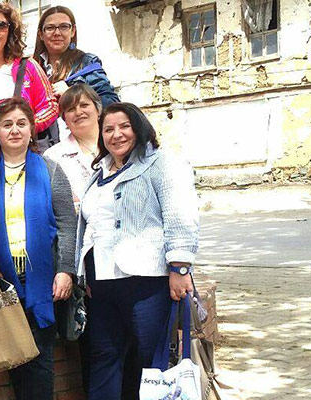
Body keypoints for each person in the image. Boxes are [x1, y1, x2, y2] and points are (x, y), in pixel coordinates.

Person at [74, 102, 199, 400]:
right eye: (108, 129)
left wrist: (180, 267)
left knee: (149, 359)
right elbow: (93, 227)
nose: (116, 134)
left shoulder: (161, 163)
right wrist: (84, 273)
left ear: (139, 128)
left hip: (146, 280)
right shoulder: (99, 171)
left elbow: (180, 215)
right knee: (103, 356)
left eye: (124, 126)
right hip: (102, 283)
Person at [0, 98, 77, 399]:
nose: (14, 130)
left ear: (31, 130)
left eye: (21, 123)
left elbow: (68, 223)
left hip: (43, 282)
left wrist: (66, 270)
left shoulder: (51, 171)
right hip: (2, 283)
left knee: (40, 364)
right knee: (14, 362)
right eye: (7, 124)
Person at [0, 1, 59, 154]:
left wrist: (24, 127)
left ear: (10, 31)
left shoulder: (28, 66)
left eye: (1, 26)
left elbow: (50, 106)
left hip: (25, 155)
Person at [32, 6, 120, 107]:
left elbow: (112, 104)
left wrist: (72, 95)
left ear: (73, 31)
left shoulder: (87, 63)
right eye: (50, 28)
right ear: (40, 34)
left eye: (64, 27)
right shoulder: (29, 69)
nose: (57, 33)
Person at [44, 83, 103, 211]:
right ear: (64, 119)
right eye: (71, 109)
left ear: (98, 110)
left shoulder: (117, 145)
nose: (79, 112)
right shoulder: (53, 156)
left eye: (84, 105)